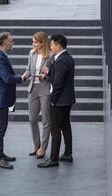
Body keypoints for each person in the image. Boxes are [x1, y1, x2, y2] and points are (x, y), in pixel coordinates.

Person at [0, 32, 24, 169]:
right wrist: (21, 78)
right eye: (11, 41)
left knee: (1, 127)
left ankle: (0, 154)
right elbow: (7, 78)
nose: (13, 43)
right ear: (4, 42)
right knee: (0, 128)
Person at [37, 34, 76, 168]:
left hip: (60, 100)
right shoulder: (65, 58)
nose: (50, 46)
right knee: (65, 126)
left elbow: (58, 83)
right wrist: (48, 73)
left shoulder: (62, 60)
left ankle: (53, 159)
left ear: (58, 45)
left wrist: (52, 101)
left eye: (52, 44)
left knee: (55, 130)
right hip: (66, 99)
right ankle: (67, 153)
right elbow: (57, 78)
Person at [22, 32, 52, 159]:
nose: (33, 44)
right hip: (33, 88)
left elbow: (52, 72)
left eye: (35, 42)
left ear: (42, 43)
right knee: (32, 119)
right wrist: (24, 76)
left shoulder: (50, 55)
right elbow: (29, 69)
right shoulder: (32, 53)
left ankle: (43, 147)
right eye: (33, 41)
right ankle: (36, 144)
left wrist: (46, 75)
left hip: (44, 89)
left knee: (46, 120)